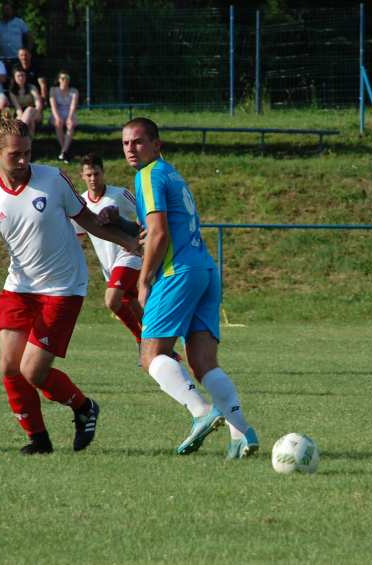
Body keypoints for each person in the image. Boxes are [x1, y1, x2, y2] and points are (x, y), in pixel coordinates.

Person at [0, 117, 142, 455]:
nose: (23, 161)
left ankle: (83, 407)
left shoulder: (52, 178)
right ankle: (39, 439)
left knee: (33, 370)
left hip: (64, 287)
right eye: (15, 155)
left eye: (27, 153)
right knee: (8, 366)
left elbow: (89, 221)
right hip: (19, 287)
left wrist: (129, 241)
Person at [110, 117, 259, 458]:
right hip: (205, 268)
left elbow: (159, 233)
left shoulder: (146, 175)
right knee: (204, 362)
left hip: (177, 272)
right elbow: (159, 228)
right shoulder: (171, 174)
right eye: (126, 143)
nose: (131, 149)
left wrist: (144, 279)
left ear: (156, 144)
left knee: (151, 355)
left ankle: (201, 413)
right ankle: (242, 433)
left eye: (138, 142)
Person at [72, 153, 145, 351]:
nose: (93, 179)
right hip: (109, 264)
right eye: (89, 175)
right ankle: (160, 346)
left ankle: (142, 341)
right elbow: (78, 236)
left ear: (103, 173)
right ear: (82, 176)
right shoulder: (80, 203)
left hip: (129, 254)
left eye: (96, 174)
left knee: (112, 300)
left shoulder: (119, 194)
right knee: (131, 304)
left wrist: (136, 240)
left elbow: (145, 215)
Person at [48, 71, 77, 163]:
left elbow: (73, 106)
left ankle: (63, 152)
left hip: (69, 112)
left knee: (71, 124)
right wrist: (57, 116)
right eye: (62, 78)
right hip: (57, 112)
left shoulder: (74, 91)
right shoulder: (53, 90)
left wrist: (69, 117)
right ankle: (65, 151)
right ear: (59, 80)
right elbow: (53, 106)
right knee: (58, 123)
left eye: (66, 78)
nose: (64, 80)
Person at [8, 67, 41, 136]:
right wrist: (22, 117)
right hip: (21, 113)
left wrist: (37, 111)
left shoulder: (32, 87)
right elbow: (18, 108)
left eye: (22, 75)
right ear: (14, 78)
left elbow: (38, 103)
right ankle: (28, 145)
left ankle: (19, 132)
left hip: (34, 111)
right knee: (30, 122)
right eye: (18, 76)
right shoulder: (12, 91)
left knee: (29, 109)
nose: (21, 78)